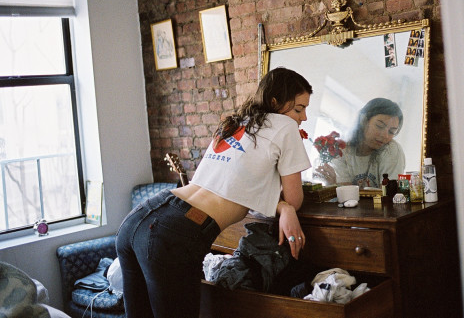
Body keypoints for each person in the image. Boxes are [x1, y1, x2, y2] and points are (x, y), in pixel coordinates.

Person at [116, 67, 313, 318]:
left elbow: (233, 185)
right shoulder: (285, 126)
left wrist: (281, 206)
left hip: (142, 217)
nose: (304, 117)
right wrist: (287, 205)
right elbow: (295, 198)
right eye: (298, 109)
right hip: (173, 234)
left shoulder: (236, 123)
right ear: (275, 102)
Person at [316, 97, 405, 188]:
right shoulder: (343, 149)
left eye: (391, 132)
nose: (385, 135)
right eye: (379, 126)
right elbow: (346, 193)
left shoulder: (391, 149)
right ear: (364, 120)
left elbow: (389, 193)